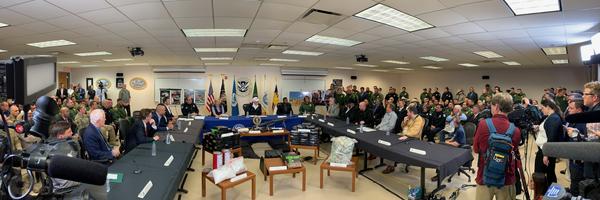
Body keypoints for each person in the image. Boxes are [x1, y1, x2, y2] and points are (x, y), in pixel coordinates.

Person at [473, 93, 521, 200]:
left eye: (491, 105)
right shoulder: (516, 131)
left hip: (485, 177)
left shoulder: (482, 124)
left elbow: (476, 149)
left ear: (497, 107)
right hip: (506, 179)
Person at [382, 104, 424, 174]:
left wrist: (405, 132)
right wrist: (404, 122)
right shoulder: (409, 118)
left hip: (414, 138)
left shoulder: (419, 119)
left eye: (408, 112)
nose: (407, 114)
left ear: (412, 112)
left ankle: (391, 165)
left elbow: (414, 132)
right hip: (405, 135)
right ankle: (391, 163)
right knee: (390, 143)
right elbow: (403, 127)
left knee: (394, 146)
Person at [534, 99, 563, 185]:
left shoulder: (553, 118)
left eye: (543, 108)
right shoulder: (550, 117)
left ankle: (547, 194)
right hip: (544, 150)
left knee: (545, 175)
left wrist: (546, 155)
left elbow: (551, 138)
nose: (541, 110)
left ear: (548, 107)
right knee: (548, 173)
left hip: (546, 151)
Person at [564, 100, 587, 196]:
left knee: (577, 182)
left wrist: (576, 134)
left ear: (579, 110)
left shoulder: (584, 122)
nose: (568, 110)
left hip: (579, 159)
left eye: (571, 108)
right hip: (572, 155)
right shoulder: (573, 119)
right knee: (573, 179)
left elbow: (588, 140)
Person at [582, 81, 600, 179]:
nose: (582, 96)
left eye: (585, 94)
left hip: (595, 163)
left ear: (594, 97)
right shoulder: (591, 110)